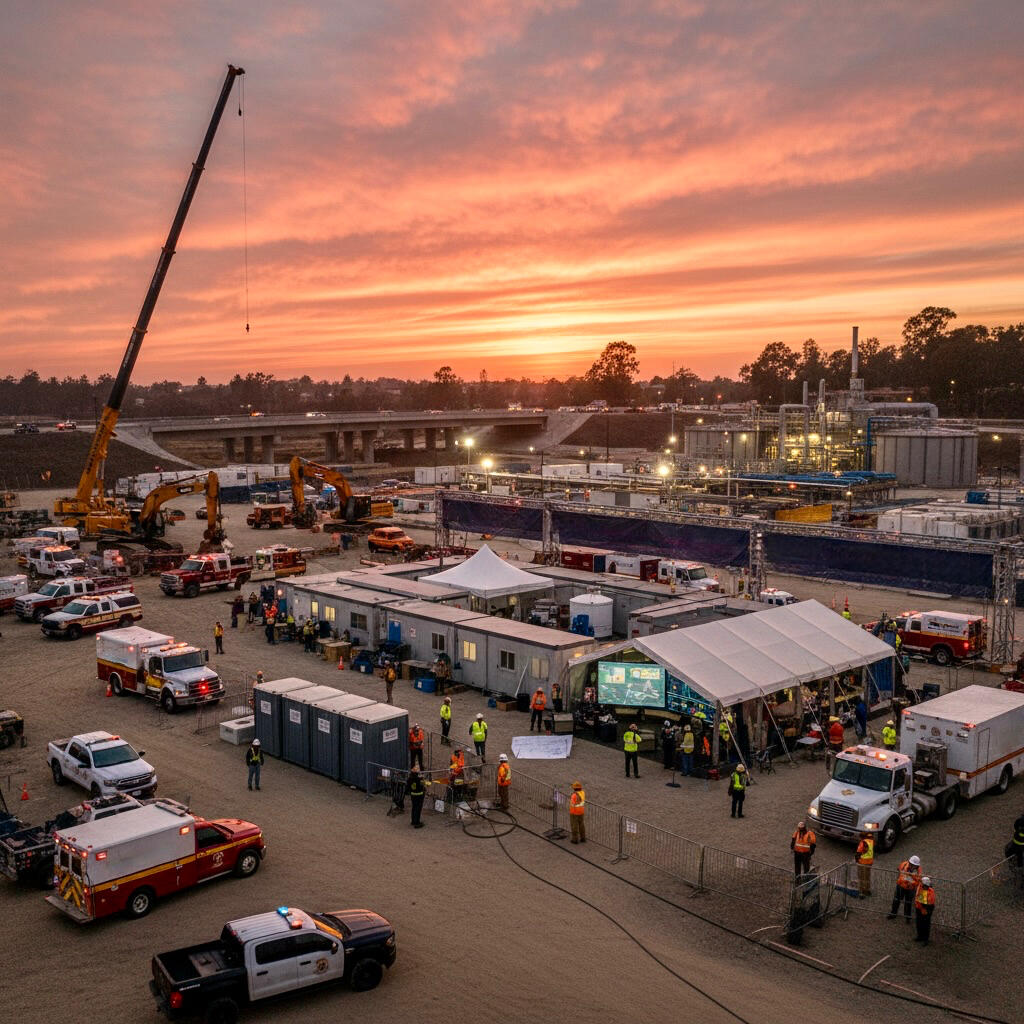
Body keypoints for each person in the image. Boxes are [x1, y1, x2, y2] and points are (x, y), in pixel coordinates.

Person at [889, 854, 922, 921]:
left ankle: (907, 917)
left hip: (910, 889)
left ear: (917, 866)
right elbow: (899, 870)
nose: (911, 866)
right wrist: (907, 878)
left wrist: (908, 879)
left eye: (913, 865)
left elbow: (917, 882)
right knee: (896, 900)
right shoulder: (904, 864)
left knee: (908, 902)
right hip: (900, 885)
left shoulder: (919, 872)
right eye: (910, 864)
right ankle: (893, 914)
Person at [914, 877, 935, 945]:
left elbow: (928, 902)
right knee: (919, 922)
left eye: (922, 883)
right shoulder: (921, 887)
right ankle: (920, 936)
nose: (921, 884)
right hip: (919, 907)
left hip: (926, 908)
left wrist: (923, 907)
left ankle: (926, 939)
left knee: (925, 923)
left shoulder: (930, 891)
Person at [855, 829, 874, 897]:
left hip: (862, 862)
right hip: (869, 862)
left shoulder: (863, 842)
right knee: (867, 877)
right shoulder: (871, 841)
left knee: (861, 877)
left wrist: (856, 860)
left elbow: (858, 852)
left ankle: (862, 892)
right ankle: (867, 890)